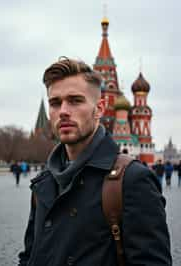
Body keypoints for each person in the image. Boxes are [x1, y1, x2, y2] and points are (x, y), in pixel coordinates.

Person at [18, 58, 172, 266]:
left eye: (75, 100)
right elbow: (30, 256)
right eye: (55, 102)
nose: (63, 111)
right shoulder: (44, 182)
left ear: (99, 109)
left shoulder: (132, 181)